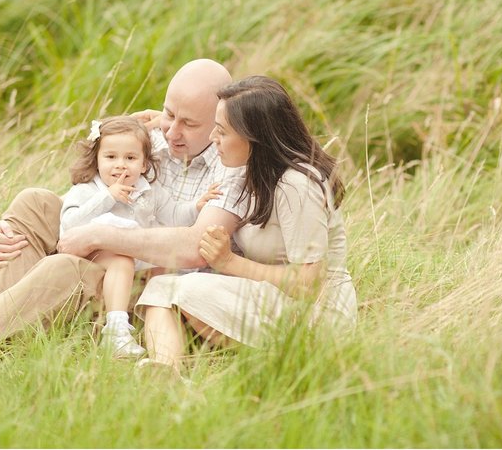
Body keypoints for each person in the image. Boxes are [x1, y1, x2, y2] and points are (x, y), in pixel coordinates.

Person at [0, 59, 244, 353]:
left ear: (219, 124)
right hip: (114, 240)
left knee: (64, 267)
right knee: (33, 203)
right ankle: (0, 321)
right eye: (168, 113)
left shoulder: (230, 162)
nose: (172, 131)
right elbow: (91, 191)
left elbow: (196, 247)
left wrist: (100, 236)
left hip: (140, 278)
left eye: (189, 124)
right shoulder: (155, 137)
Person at [133, 76, 357, 376]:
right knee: (161, 287)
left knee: (175, 288)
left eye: (222, 131)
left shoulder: (296, 186)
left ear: (255, 138)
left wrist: (229, 262)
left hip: (316, 315)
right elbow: (206, 137)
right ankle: (165, 371)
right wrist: (164, 120)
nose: (213, 138)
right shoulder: (253, 168)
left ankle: (178, 367)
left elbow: (309, 284)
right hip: (271, 298)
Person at [59, 115, 220, 358]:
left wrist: (196, 206)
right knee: (122, 260)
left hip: (133, 260)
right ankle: (115, 332)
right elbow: (70, 224)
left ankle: (156, 332)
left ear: (144, 164)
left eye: (131, 158)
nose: (120, 165)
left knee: (163, 267)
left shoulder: (149, 191)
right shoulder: (86, 190)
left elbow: (174, 214)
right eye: (111, 157)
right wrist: (108, 198)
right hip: (91, 257)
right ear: (97, 159)